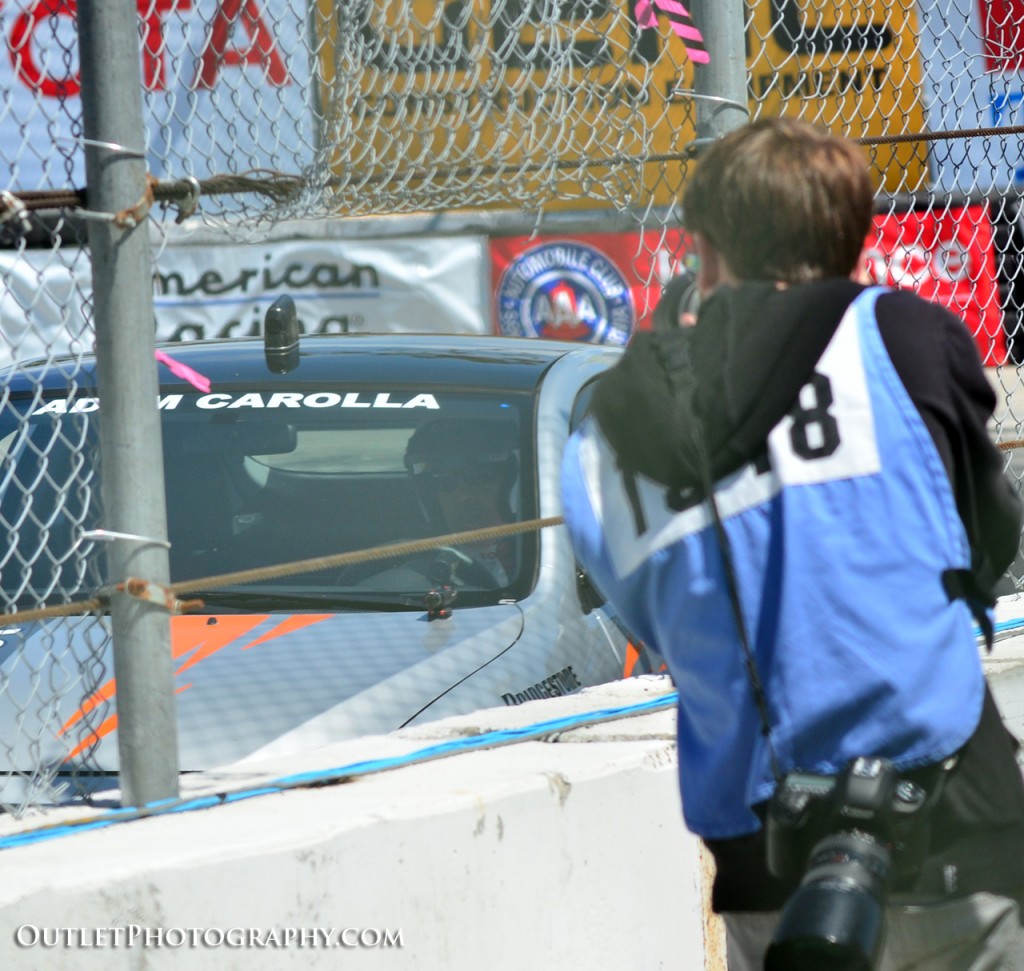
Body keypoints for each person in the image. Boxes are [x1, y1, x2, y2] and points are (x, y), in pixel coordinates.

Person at [560, 117, 1024, 970]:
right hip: (955, 815)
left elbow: (649, 622)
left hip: (767, 863)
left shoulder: (608, 427)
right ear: (851, 238)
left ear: (704, 248)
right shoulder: (905, 337)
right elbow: (988, 537)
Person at [404, 417, 519, 586]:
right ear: (430, 496)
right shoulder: (411, 565)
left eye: (480, 477)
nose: (464, 496)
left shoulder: (548, 557)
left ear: (511, 481)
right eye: (445, 482)